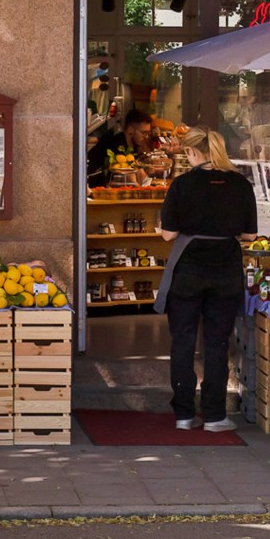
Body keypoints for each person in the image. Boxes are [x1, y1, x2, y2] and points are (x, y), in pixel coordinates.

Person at [154, 125, 256, 432]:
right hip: (225, 270)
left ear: (191, 152)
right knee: (217, 343)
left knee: (183, 341)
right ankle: (214, 416)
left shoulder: (182, 184)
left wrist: (164, 228)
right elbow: (249, 235)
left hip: (188, 271)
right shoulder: (240, 185)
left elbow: (168, 234)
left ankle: (184, 415)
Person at [86, 108, 158, 187]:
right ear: (130, 130)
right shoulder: (116, 144)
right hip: (92, 185)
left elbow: (137, 169)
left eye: (148, 133)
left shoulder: (133, 145)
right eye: (143, 133)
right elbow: (128, 175)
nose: (146, 137)